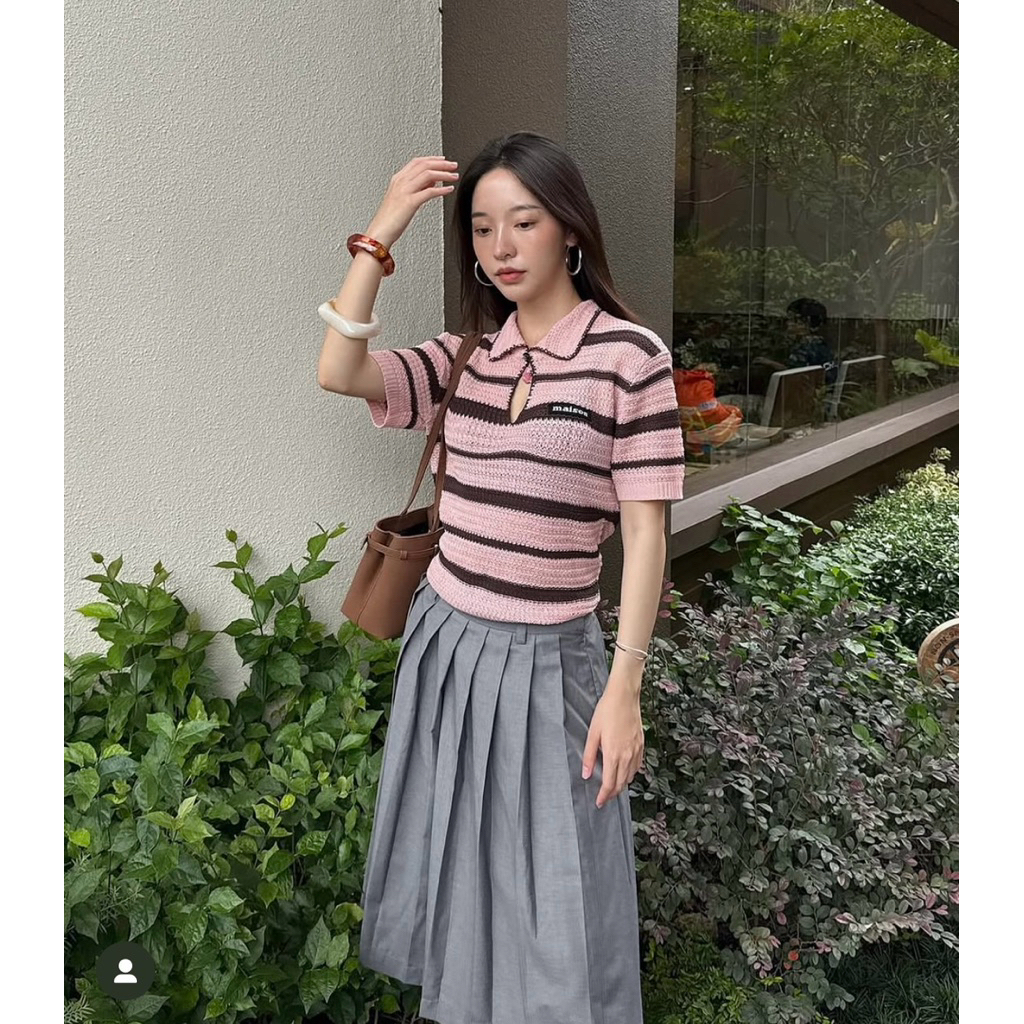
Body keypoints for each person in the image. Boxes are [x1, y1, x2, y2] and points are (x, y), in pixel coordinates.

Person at [316, 132, 685, 1024]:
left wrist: (626, 687)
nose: (502, 247)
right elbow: (339, 370)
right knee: (456, 850)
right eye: (482, 229)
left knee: (561, 876)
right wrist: (382, 230)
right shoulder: (465, 357)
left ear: (571, 230)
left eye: (524, 222)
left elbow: (646, 536)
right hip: (447, 644)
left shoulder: (629, 359)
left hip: (555, 658)